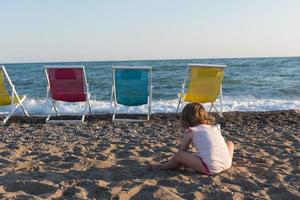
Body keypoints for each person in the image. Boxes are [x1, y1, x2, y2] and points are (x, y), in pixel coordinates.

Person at [149, 103, 234, 175]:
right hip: (227, 164)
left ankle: (163, 166)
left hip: (211, 168)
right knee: (229, 143)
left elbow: (182, 151)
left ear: (186, 119)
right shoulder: (213, 128)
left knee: (179, 155)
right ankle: (223, 161)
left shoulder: (192, 131)